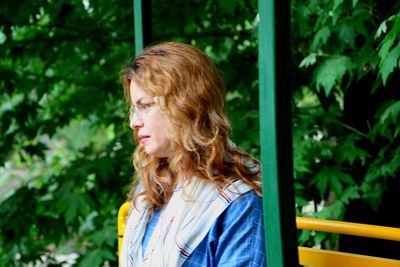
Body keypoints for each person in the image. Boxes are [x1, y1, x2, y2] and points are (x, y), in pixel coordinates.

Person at [119, 41, 267, 267]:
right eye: (133, 108)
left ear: (185, 105)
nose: (133, 122)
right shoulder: (153, 185)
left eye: (145, 105)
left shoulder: (239, 202)